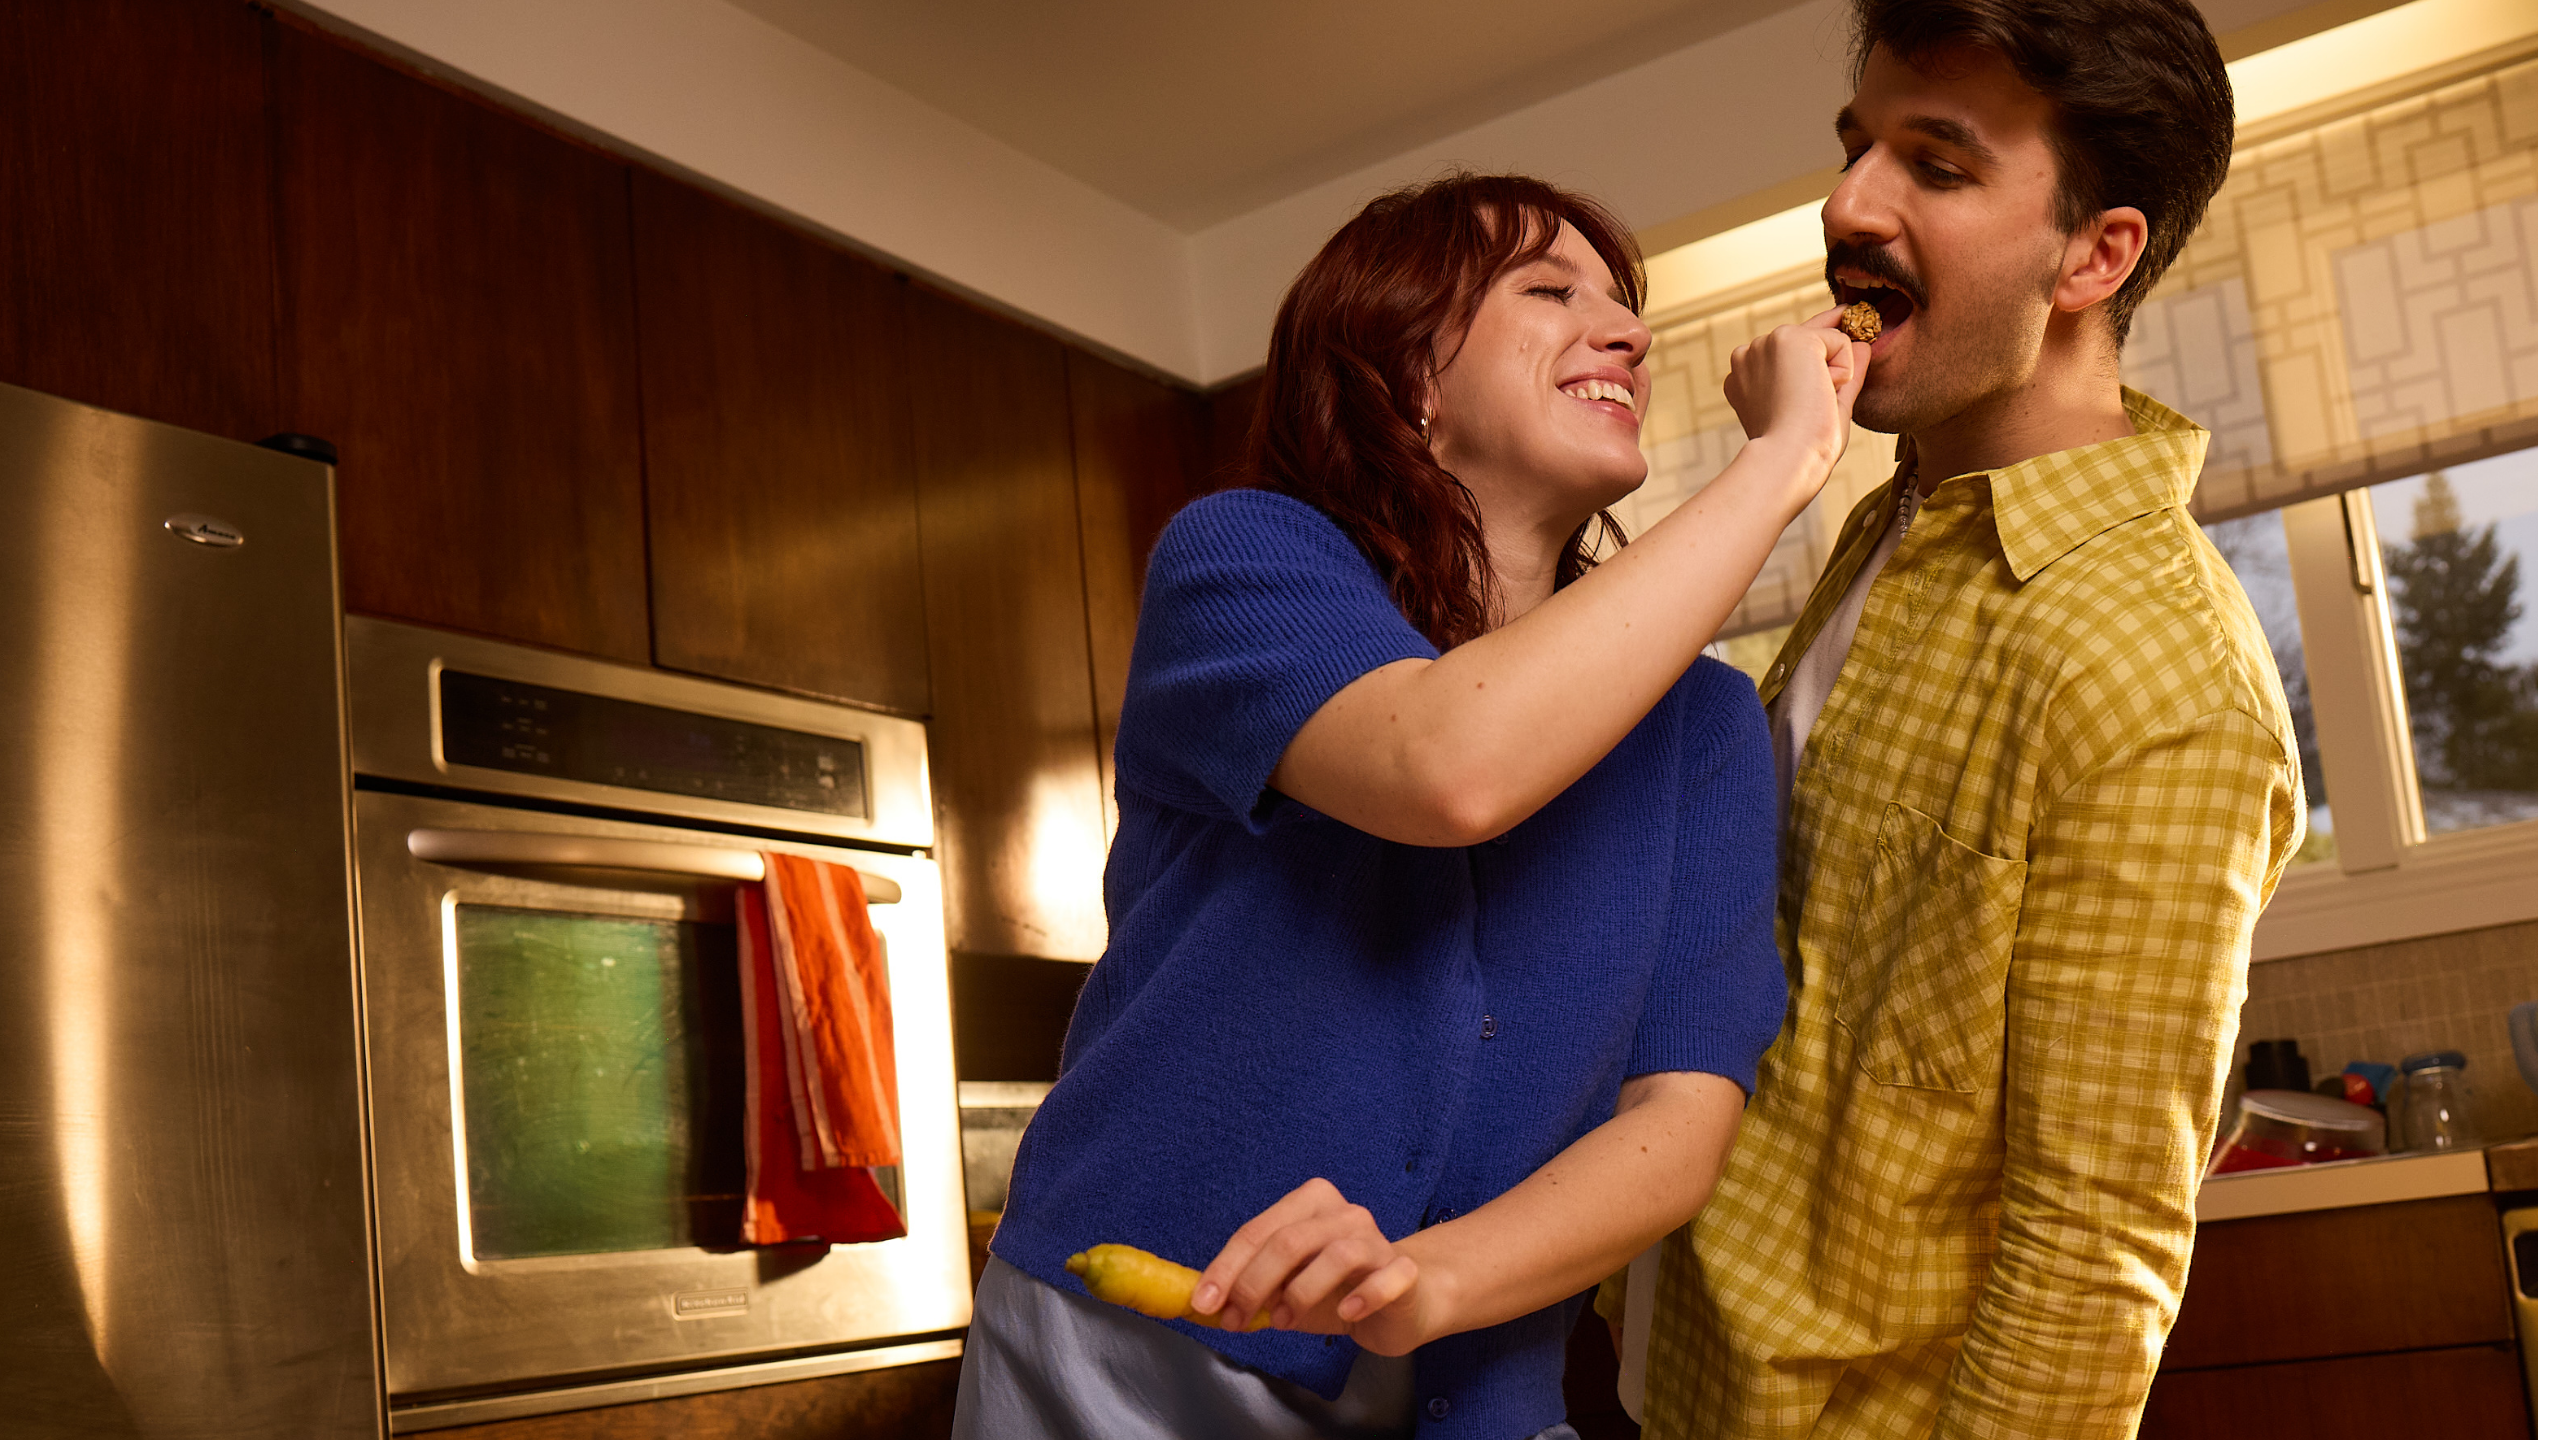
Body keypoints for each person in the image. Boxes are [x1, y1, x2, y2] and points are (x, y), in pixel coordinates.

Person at [952, 173, 1867, 1440]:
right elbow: (1451, 766)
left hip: (1475, 1391)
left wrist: (1427, 1282)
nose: (1629, 333)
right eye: (1550, 292)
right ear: (1406, 378)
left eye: (1625, 305)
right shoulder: (1243, 562)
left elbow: (1680, 1117)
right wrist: (1778, 464)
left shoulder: (1702, 730)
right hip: (1127, 1360)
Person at [1615, 0, 2304, 1435]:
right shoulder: (1893, 520)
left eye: (1935, 165)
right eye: (1859, 144)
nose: (1846, 202)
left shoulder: (2164, 680)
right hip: (1680, 1386)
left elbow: (2088, 1262)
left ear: (2095, 254)